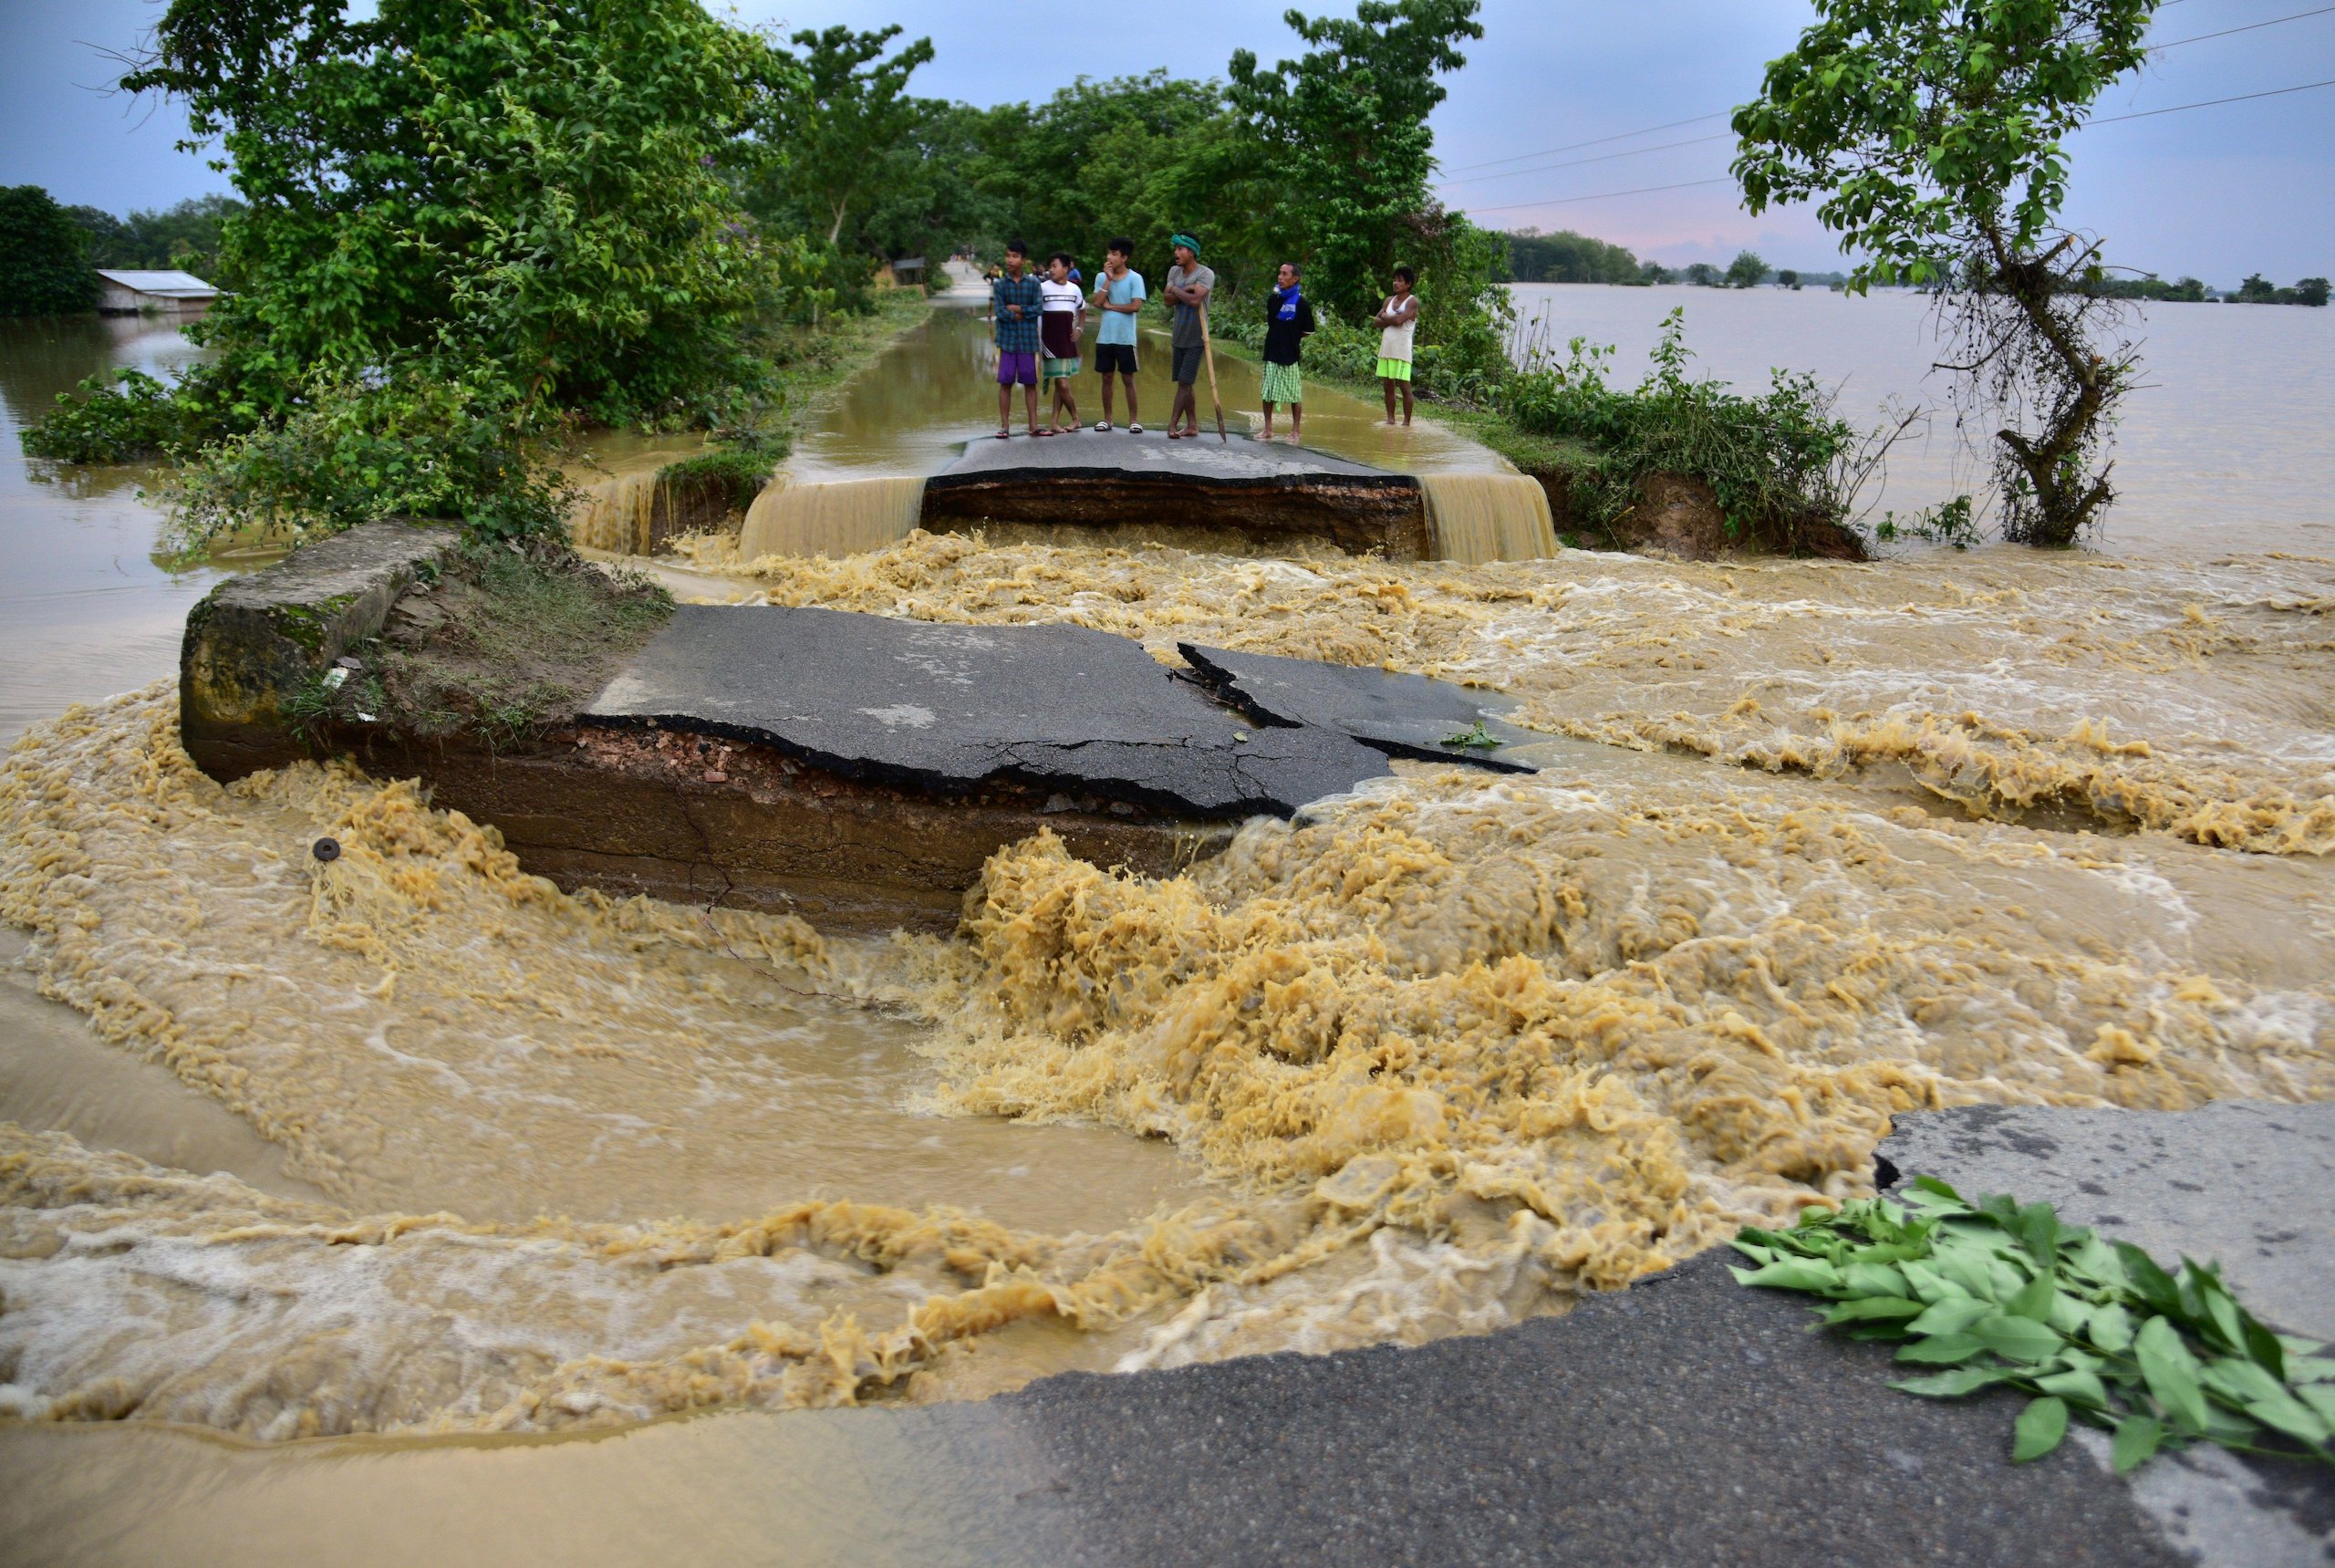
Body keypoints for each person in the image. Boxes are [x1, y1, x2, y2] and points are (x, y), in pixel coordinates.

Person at [1089, 236, 1146, 432]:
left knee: (1128, 378)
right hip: (1105, 337)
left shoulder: (1135, 278)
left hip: (1126, 338)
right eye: (1109, 253)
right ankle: (1107, 419)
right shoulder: (1101, 277)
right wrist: (1108, 280)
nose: (1109, 257)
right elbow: (1097, 303)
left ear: (1124, 257)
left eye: (1114, 254)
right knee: (1107, 378)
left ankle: (1134, 420)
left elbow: (1135, 306)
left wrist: (1111, 306)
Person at [1161, 234, 1214, 440]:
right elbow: (1167, 300)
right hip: (1179, 335)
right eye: (1175, 249)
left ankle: (1172, 425)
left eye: (1180, 249)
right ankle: (1192, 425)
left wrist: (1176, 290)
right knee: (1186, 382)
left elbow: (1195, 301)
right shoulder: (1174, 271)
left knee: (1184, 381)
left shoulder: (1206, 273)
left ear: (1191, 251)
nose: (1176, 253)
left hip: (1197, 337)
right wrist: (1182, 289)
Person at [1257, 261, 1315, 444]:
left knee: (1294, 394)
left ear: (1295, 278)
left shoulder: (1302, 303)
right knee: (1268, 392)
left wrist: (1291, 336)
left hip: (1290, 354)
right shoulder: (1273, 299)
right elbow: (1272, 323)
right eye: (1279, 274)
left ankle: (1295, 431)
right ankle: (1268, 429)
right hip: (1272, 349)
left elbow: (1308, 331)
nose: (1280, 278)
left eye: (1285, 274)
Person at [991, 241, 1043, 438]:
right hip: (1007, 342)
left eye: (1014, 256)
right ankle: (1005, 426)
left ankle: (1033, 426)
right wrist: (1019, 313)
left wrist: (1018, 308)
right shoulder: (1000, 285)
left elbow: (1038, 308)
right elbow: (1000, 312)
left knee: (1030, 383)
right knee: (1005, 383)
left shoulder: (1033, 284)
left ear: (1023, 260)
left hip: (1028, 341)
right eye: (1008, 256)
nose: (1009, 260)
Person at [1039, 252, 1085, 434]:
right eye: (1050, 266)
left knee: (1061, 382)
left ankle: (1065, 421)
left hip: (1067, 342)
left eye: (1055, 266)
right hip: (1049, 343)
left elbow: (1082, 310)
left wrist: (1080, 329)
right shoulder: (1042, 288)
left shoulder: (1074, 290)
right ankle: (1068, 420)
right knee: (1061, 382)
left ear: (1066, 269)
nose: (1051, 270)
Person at [1372, 265, 1420, 426]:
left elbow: (1399, 321)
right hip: (1386, 350)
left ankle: (1406, 423)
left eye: (1400, 280)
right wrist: (1388, 318)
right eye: (1395, 279)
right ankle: (1390, 419)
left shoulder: (1411, 301)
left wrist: (1385, 316)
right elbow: (1375, 322)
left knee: (1404, 387)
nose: (1395, 283)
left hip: (1401, 352)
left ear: (1408, 284)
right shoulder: (1388, 300)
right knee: (1388, 386)